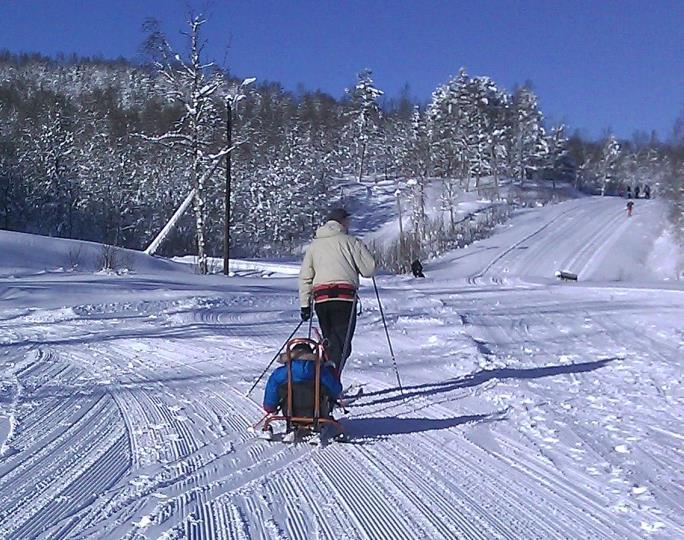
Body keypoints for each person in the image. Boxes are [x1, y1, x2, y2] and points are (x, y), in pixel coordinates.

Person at [299, 208, 377, 372]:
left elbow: (306, 277)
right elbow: (369, 270)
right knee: (342, 347)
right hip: (344, 298)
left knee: (331, 342)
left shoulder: (314, 246)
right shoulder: (350, 241)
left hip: (322, 299)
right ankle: (328, 388)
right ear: (342, 222)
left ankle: (321, 382)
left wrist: (305, 305)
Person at [263, 342, 343, 415]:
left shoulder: (283, 372)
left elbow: (272, 388)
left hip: (290, 412)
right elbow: (336, 389)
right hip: (317, 412)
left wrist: (270, 407)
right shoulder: (320, 371)